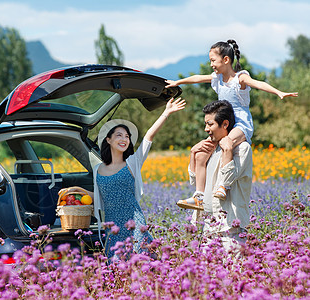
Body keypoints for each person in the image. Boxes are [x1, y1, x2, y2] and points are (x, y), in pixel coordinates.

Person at [167, 39, 298, 210]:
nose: (211, 64)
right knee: (200, 154)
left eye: (213, 60)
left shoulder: (240, 78)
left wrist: (278, 92)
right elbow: (198, 78)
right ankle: (199, 196)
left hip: (241, 125)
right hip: (223, 125)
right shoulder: (217, 79)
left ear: (226, 60)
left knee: (226, 144)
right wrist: (179, 82)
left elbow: (258, 83)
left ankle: (224, 185)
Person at [64, 97, 186, 258]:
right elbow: (101, 197)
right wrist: (78, 190)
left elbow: (148, 137)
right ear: (108, 139)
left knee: (141, 262)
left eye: (127, 136)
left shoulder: (132, 162)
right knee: (116, 266)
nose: (124, 139)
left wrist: (166, 112)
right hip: (112, 227)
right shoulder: (97, 169)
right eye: (119, 135)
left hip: (135, 224)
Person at [187, 100, 252, 251]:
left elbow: (227, 180)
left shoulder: (242, 149)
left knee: (234, 272)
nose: (206, 129)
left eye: (210, 124)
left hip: (231, 227)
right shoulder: (212, 148)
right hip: (210, 226)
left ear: (224, 124)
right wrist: (193, 153)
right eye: (205, 124)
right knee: (206, 273)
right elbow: (194, 180)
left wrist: (228, 151)